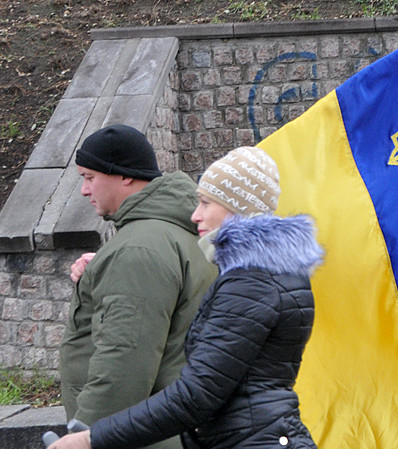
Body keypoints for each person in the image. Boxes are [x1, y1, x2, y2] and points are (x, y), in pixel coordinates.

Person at [50, 146, 323, 449]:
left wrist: (92, 438)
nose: (195, 215)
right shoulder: (267, 272)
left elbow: (197, 395)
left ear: (236, 207)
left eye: (206, 203)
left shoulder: (251, 282)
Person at [59, 125, 218, 449]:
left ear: (124, 176)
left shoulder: (138, 250)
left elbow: (124, 364)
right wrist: (101, 271)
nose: (84, 191)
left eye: (89, 177)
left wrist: (85, 435)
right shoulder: (176, 233)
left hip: (142, 436)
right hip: (176, 426)